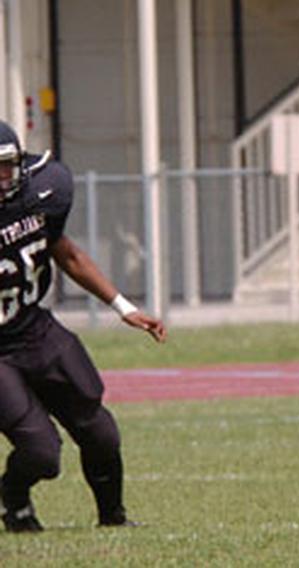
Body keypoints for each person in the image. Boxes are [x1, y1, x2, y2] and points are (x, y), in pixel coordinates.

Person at [0, 121, 166, 532]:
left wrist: (121, 305)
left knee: (101, 432)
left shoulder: (41, 194)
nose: (5, 176)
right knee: (41, 453)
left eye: (9, 165)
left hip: (35, 328)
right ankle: (14, 498)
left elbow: (66, 253)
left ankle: (113, 518)